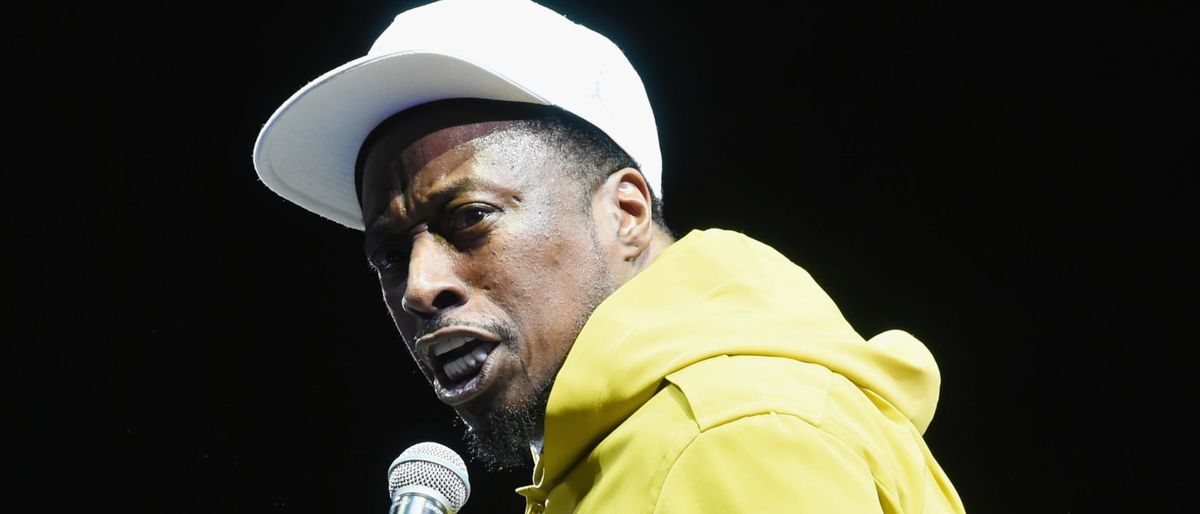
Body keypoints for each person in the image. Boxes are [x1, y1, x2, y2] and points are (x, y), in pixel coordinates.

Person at [252, 0, 967, 512]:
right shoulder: (643, 450)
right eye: (389, 254)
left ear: (625, 214)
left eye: (468, 218)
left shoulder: (724, 437)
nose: (419, 285)